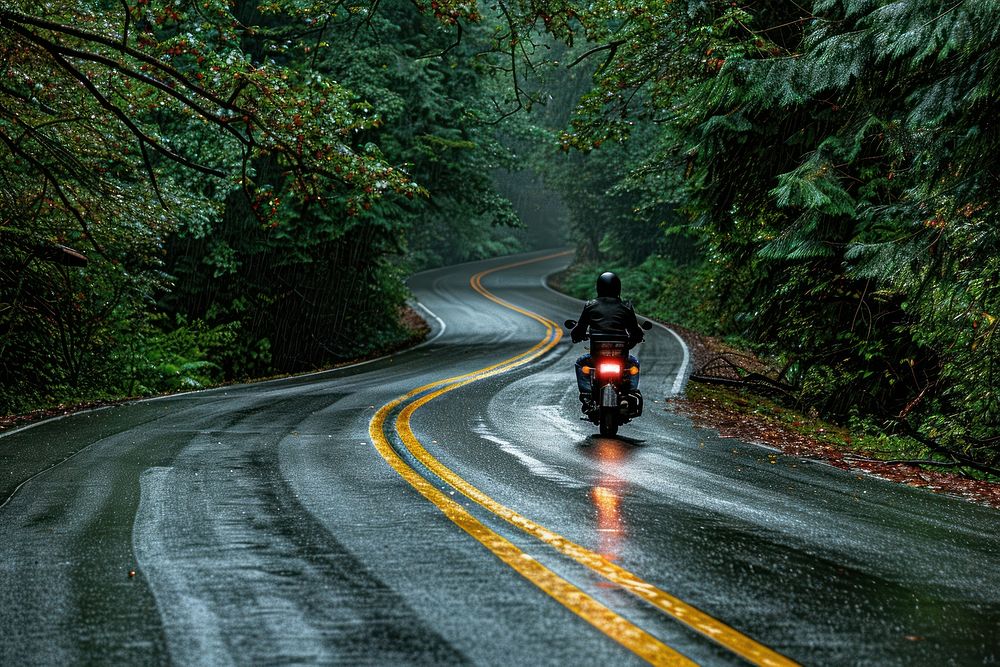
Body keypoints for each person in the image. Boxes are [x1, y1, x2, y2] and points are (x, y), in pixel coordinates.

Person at [570, 271, 644, 412]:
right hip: (620, 357)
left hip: (597, 356)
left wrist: (577, 335)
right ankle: (630, 394)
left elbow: (580, 329)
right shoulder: (626, 306)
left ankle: (587, 395)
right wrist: (635, 338)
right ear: (618, 288)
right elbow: (634, 330)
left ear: (599, 287)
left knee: (580, 363)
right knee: (634, 363)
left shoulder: (590, 305)